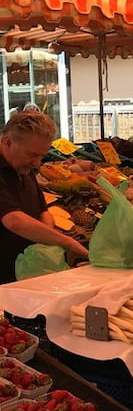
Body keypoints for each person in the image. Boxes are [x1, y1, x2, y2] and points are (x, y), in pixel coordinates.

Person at [0, 112, 89, 283]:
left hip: (26, 278)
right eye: (33, 155)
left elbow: (43, 210)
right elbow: (14, 220)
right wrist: (67, 242)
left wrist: (45, 242)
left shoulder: (23, 168)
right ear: (7, 142)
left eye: (42, 156)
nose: (37, 163)